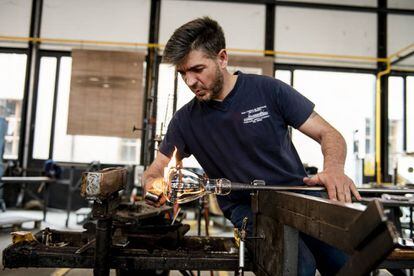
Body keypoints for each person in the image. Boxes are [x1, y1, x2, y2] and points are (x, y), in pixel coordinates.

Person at [143, 17, 361, 275]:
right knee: (297, 266)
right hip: (246, 208)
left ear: (222, 58)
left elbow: (329, 134)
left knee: (348, 262)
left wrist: (334, 168)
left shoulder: (269, 91)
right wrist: (153, 184)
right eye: (183, 73)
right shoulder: (185, 121)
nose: (190, 82)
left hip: (297, 197)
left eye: (197, 69)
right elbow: (155, 169)